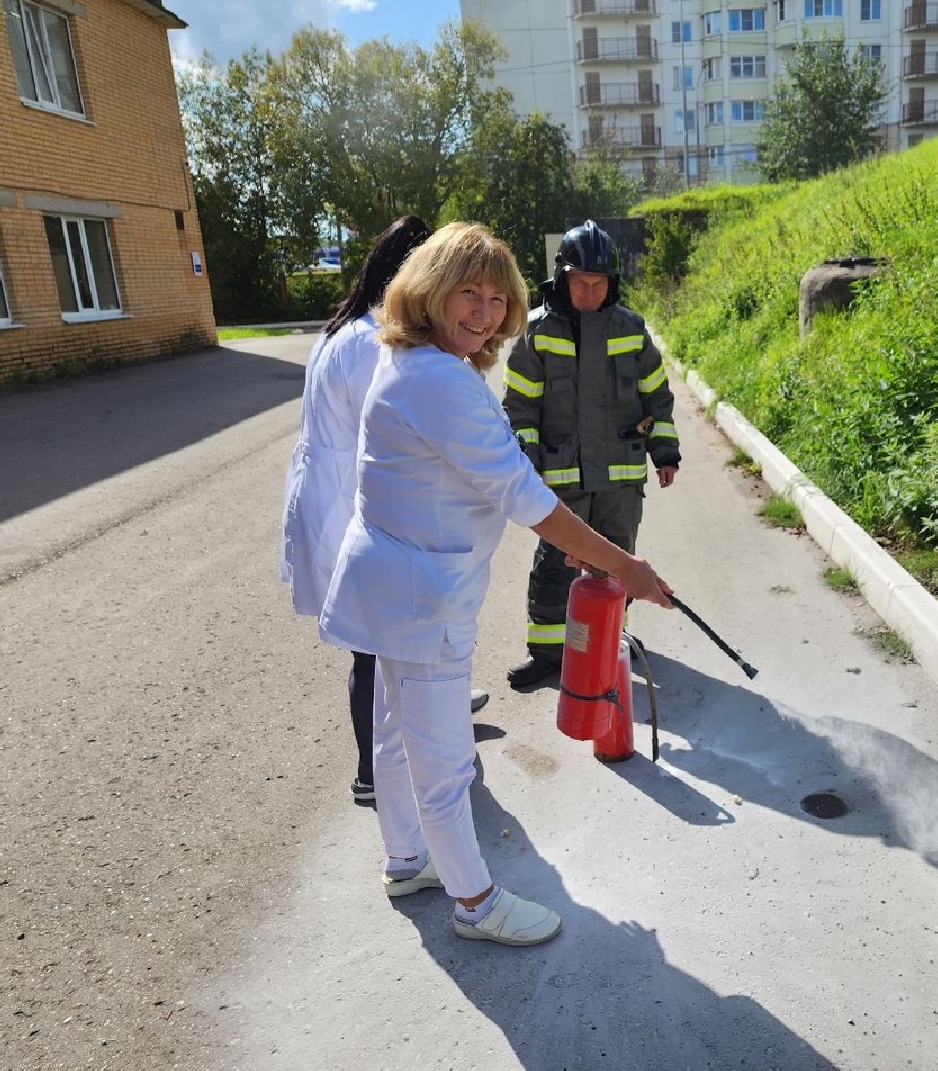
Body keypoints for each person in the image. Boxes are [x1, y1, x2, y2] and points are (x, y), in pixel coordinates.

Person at [318, 222, 673, 947]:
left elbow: (496, 478)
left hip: (396, 580)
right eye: (467, 294)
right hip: (421, 594)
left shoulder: (417, 360)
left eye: (495, 297)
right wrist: (622, 565)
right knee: (444, 759)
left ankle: (406, 859)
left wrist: (579, 545)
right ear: (430, 291)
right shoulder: (437, 379)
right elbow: (523, 494)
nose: (483, 313)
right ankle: (475, 904)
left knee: (395, 733)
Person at [279, 215, 488, 807]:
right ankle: (375, 770)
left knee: (384, 642)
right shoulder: (377, 343)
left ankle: (434, 716)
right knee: (377, 647)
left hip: (331, 495)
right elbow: (414, 433)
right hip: (354, 503)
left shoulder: (341, 329)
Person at [502, 220, 681, 690]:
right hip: (561, 477)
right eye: (580, 282)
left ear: (611, 283)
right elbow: (520, 407)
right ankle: (548, 653)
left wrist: (665, 452)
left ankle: (609, 643)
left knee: (618, 563)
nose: (588, 292)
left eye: (598, 283)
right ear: (562, 279)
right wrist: (529, 465)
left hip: (621, 479)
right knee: (555, 565)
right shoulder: (537, 332)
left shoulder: (631, 330)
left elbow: (656, 396)